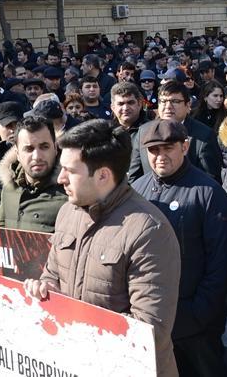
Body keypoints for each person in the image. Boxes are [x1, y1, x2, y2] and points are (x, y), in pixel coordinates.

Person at [24, 120, 182, 377]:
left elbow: (149, 332)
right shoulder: (67, 212)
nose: (60, 178)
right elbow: (52, 274)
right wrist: (46, 290)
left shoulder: (148, 230)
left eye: (70, 171)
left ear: (103, 175)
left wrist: (80, 338)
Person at [131, 120, 227, 377]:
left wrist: (198, 313)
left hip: (197, 326)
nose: (160, 156)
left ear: (185, 147)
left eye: (168, 148)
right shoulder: (136, 191)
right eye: (154, 150)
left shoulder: (209, 192)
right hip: (151, 319)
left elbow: (220, 262)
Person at [129, 80, 223, 183]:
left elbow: (211, 181)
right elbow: (134, 178)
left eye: (175, 101)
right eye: (163, 101)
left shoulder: (204, 136)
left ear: (188, 106)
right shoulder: (144, 131)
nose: (168, 106)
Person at [0, 114, 67, 232]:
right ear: (17, 154)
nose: (37, 156)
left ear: (55, 148)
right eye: (29, 149)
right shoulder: (10, 187)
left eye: (44, 147)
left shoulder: (70, 190)